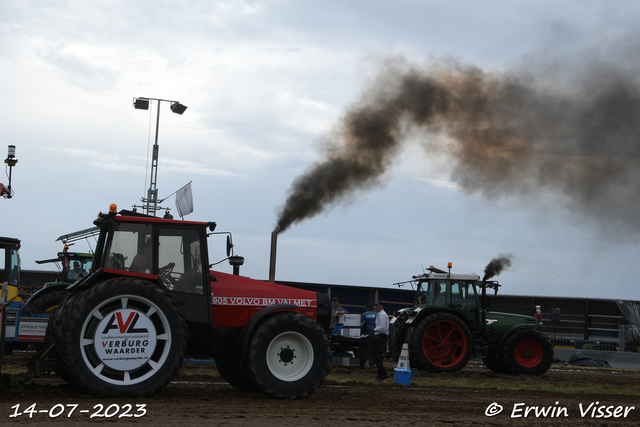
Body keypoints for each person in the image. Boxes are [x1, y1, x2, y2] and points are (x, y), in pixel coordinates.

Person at [372, 300, 390, 381]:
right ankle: (383, 372)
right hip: (380, 335)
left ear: (381, 306)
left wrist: (375, 329)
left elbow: (382, 327)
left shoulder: (382, 315)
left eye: (377, 305)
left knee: (377, 356)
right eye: (375, 306)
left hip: (381, 336)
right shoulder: (381, 314)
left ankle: (381, 374)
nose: (375, 307)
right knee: (376, 356)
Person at [360, 303, 377, 368]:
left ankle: (362, 364)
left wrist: (361, 334)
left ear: (366, 308)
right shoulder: (376, 315)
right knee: (372, 350)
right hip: (374, 335)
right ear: (373, 308)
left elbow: (361, 325)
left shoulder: (364, 315)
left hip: (365, 335)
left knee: (364, 350)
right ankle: (371, 364)